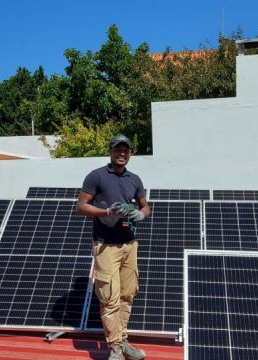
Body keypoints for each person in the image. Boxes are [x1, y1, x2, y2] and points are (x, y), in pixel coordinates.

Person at [77, 134, 150, 360]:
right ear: (110, 151)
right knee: (110, 299)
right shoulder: (96, 176)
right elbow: (81, 206)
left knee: (127, 295)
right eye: (118, 149)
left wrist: (140, 213)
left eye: (125, 150)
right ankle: (115, 348)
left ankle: (123, 340)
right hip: (106, 247)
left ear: (129, 153)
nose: (122, 153)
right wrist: (107, 212)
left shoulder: (134, 179)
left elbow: (146, 207)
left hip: (129, 244)